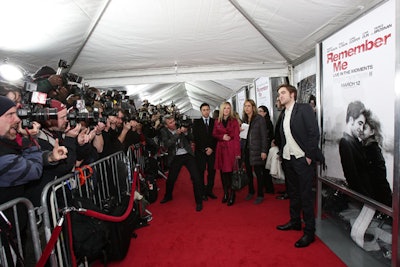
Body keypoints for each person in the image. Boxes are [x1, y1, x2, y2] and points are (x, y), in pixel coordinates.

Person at [275, 84, 320, 248]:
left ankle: (309, 232)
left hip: (302, 159)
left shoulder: (304, 109)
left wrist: (309, 155)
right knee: (293, 193)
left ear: (292, 94)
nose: (280, 96)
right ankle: (295, 222)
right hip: (288, 159)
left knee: (306, 196)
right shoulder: (284, 112)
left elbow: (313, 133)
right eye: (279, 93)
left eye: (283, 93)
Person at [0, 96, 68, 205]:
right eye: (10, 115)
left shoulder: (7, 144)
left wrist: (50, 157)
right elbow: (34, 171)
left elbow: (24, 158)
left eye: (16, 113)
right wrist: (29, 139)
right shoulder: (3, 157)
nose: (17, 119)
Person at [159, 115, 203, 212]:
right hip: (175, 157)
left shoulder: (181, 125)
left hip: (187, 154)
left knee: (196, 177)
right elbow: (167, 144)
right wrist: (177, 134)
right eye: (170, 123)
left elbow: (192, 138)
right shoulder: (164, 131)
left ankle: (199, 201)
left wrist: (186, 132)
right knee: (171, 179)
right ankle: (168, 196)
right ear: (166, 125)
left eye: (173, 121)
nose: (173, 123)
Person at [339, 101, 373, 197]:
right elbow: (352, 177)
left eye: (363, 125)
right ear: (351, 120)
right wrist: (369, 199)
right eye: (360, 123)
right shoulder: (345, 142)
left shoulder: (354, 141)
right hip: (363, 197)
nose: (361, 129)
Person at [360, 109, 392, 207]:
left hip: (380, 196)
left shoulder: (372, 149)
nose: (361, 129)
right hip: (377, 194)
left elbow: (379, 176)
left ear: (372, 132)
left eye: (364, 127)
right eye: (360, 125)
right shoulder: (366, 147)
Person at [213, 102, 241, 206]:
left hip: (231, 149)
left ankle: (232, 194)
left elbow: (237, 138)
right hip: (221, 149)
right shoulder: (217, 121)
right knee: (223, 173)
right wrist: (222, 137)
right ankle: (225, 193)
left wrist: (237, 153)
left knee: (231, 173)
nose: (226, 110)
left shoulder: (234, 121)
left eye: (228, 108)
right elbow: (214, 134)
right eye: (224, 108)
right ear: (221, 110)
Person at [242, 100, 268, 204]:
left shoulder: (259, 119)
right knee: (248, 172)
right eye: (245, 106)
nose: (246, 108)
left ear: (253, 107)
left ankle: (260, 194)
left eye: (249, 106)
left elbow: (264, 136)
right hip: (247, 149)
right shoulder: (244, 119)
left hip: (257, 150)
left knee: (258, 173)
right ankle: (251, 191)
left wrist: (264, 151)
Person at [193, 103, 217, 200]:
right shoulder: (196, 122)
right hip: (200, 152)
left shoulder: (214, 122)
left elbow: (216, 136)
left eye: (207, 109)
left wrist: (211, 148)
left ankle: (209, 191)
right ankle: (202, 192)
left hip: (212, 151)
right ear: (201, 111)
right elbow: (196, 138)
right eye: (204, 110)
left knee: (212, 172)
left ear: (210, 110)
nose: (206, 111)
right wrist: (204, 149)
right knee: (201, 172)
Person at [258, 105, 275, 194]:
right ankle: (267, 186)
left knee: (265, 168)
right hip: (263, 147)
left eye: (261, 111)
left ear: (265, 113)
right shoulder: (261, 121)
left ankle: (269, 187)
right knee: (263, 168)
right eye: (258, 111)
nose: (259, 113)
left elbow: (269, 136)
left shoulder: (267, 122)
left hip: (266, 147)